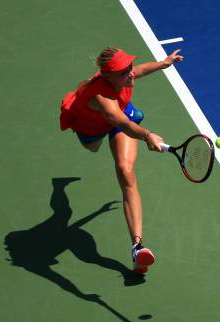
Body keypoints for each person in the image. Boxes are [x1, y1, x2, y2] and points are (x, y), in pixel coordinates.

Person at [59, 47, 184, 274]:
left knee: (126, 171)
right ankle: (58, 187)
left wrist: (164, 63)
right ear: (107, 76)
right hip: (93, 128)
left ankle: (137, 247)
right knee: (63, 212)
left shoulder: (125, 75)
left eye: (128, 68)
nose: (129, 73)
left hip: (122, 116)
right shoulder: (101, 97)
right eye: (122, 71)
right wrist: (147, 135)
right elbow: (121, 122)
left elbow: (140, 70)